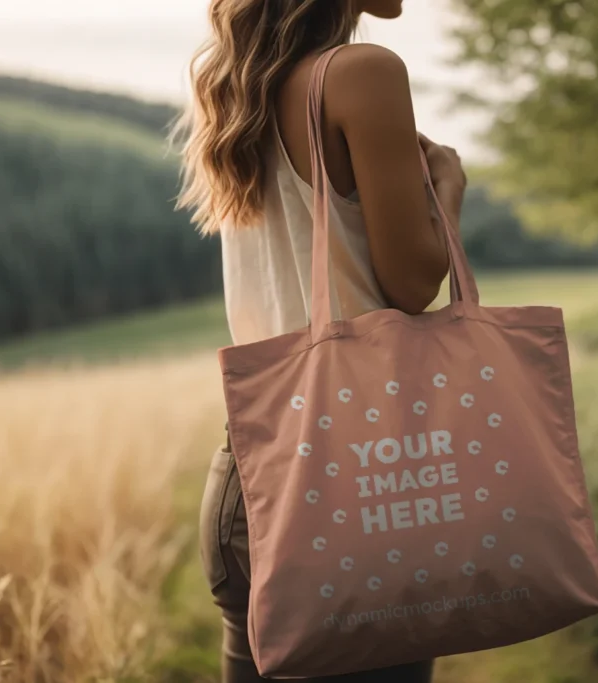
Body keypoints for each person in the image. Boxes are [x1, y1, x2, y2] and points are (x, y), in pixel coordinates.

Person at [173, 1, 468, 681]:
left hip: (249, 482)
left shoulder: (235, 84)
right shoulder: (362, 73)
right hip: (363, 477)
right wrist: (446, 193)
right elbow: (413, 283)